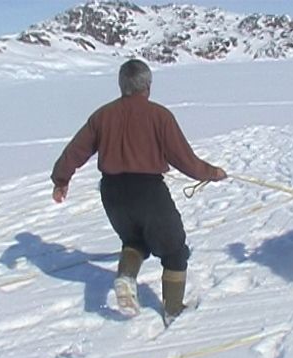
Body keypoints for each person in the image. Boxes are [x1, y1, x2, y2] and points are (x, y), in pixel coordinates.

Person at [51, 59, 227, 325]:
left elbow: (76, 150)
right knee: (175, 251)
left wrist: (61, 180)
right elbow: (185, 160)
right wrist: (212, 173)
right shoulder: (159, 115)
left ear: (122, 85)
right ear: (148, 86)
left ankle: (125, 277)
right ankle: (174, 311)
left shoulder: (102, 115)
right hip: (148, 194)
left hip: (112, 194)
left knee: (134, 241)